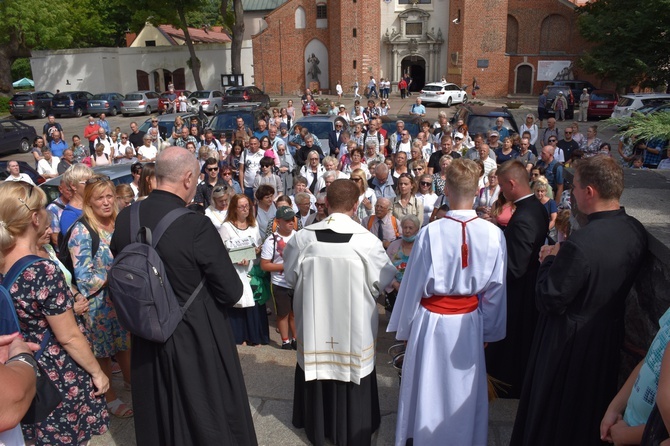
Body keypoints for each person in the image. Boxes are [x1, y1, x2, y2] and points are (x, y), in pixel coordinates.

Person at [110, 147, 256, 445]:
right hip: (195, 334)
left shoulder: (126, 217)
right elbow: (231, 290)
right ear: (189, 178)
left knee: (158, 412)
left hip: (146, 333)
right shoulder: (195, 223)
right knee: (205, 413)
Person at [510, 156, 648, 446]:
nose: (570, 193)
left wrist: (550, 259)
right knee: (589, 413)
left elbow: (548, 299)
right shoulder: (635, 230)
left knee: (555, 418)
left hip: (569, 345)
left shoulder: (580, 244)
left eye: (574, 187)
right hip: (606, 339)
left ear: (590, 192)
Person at [388, 157, 507, 446]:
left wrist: (405, 329)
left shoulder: (430, 232)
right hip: (469, 323)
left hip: (431, 324)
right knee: (462, 388)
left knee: (430, 387)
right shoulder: (494, 234)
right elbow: (495, 290)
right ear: (478, 190)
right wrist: (488, 332)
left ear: (448, 192)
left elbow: (413, 285)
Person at [283, 179, 395, 446]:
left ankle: (317, 427)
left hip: (313, 328)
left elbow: (290, 277)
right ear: (355, 206)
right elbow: (384, 281)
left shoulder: (303, 238)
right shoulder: (367, 241)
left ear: (327, 204)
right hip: (353, 331)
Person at [0, 181, 110, 444]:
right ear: (35, 217)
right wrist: (98, 372)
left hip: (19, 370)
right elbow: (69, 336)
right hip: (57, 374)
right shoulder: (42, 270)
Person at [67, 176, 133, 417]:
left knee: (126, 344)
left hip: (122, 300)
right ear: (89, 201)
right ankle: (109, 398)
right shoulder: (82, 231)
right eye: (99, 198)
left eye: (109, 196)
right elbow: (84, 280)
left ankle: (131, 382)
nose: (106, 202)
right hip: (98, 306)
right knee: (103, 353)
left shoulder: (118, 221)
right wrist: (115, 271)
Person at [485, 160, 548, 399]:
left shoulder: (523, 218)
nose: (501, 190)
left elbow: (515, 268)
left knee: (512, 348)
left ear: (512, 184)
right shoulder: (535, 207)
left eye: (502, 185)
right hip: (526, 289)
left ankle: (508, 389)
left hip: (518, 296)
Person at [600, 306, 670, 445]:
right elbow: (651, 359)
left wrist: (625, 436)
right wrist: (614, 408)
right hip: (628, 422)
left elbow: (663, 428)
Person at [219, 193, 268, 347]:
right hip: (235, 270)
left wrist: (253, 253)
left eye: (247, 205)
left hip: (250, 269)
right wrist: (237, 257)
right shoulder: (226, 227)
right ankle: (240, 337)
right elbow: (221, 249)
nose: (245, 209)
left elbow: (258, 246)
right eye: (241, 206)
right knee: (238, 304)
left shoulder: (253, 226)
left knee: (252, 304)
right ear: (234, 208)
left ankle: (254, 336)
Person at [260, 206, 298, 350]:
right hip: (279, 283)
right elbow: (265, 265)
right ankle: (285, 340)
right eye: (287, 220)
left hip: (296, 282)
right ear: (278, 221)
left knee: (295, 313)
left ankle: (295, 338)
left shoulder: (299, 236)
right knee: (283, 313)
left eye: (292, 219)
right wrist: (286, 266)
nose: (290, 222)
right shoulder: (271, 240)